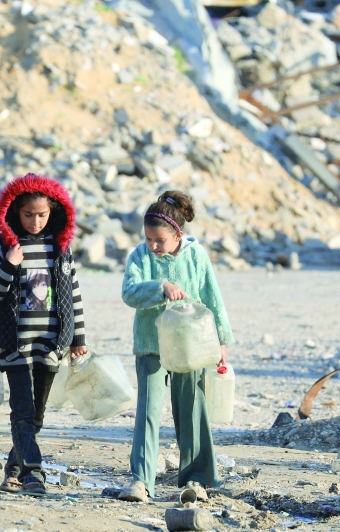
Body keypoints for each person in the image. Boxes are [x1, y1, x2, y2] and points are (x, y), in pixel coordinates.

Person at [118, 190, 234, 503]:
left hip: (191, 347)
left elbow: (213, 298)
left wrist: (222, 340)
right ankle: (141, 480)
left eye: (160, 241)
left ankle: (197, 479)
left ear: (177, 234)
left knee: (192, 410)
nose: (153, 246)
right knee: (147, 413)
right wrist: (160, 288)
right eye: (149, 239)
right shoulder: (140, 257)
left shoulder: (197, 256)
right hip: (151, 346)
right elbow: (129, 292)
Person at [0, 174, 87, 496]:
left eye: (41, 215)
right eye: (28, 215)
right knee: (23, 412)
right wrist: (10, 265)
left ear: (53, 212)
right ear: (15, 212)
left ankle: (13, 469)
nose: (35, 221)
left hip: (50, 344)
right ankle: (34, 473)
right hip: (15, 344)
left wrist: (78, 339)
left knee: (37, 415)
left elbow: (74, 295)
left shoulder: (60, 249)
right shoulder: (6, 246)